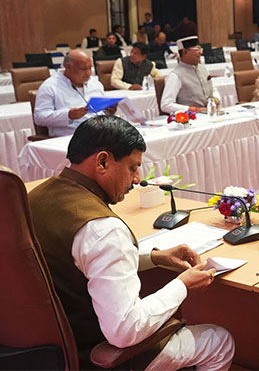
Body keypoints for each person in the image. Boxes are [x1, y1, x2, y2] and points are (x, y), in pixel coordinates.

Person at [28, 115, 235, 370]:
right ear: (103, 161)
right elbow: (125, 331)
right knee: (219, 341)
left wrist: (154, 257)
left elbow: (78, 262)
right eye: (132, 167)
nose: (137, 178)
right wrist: (182, 285)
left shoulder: (34, 197)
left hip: (46, 351)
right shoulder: (103, 229)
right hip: (92, 354)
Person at [34, 50, 117, 137]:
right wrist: (68, 115)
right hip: (71, 137)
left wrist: (108, 111)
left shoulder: (95, 83)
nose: (89, 73)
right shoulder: (50, 86)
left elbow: (101, 111)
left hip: (100, 133)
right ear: (69, 67)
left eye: (90, 68)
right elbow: (39, 117)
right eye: (84, 69)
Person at [161, 36, 221, 114]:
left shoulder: (203, 69)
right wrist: (193, 109)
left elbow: (213, 89)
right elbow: (166, 104)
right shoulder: (175, 75)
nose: (201, 52)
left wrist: (216, 99)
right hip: (191, 119)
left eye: (200, 49)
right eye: (197, 49)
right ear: (185, 52)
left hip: (210, 114)